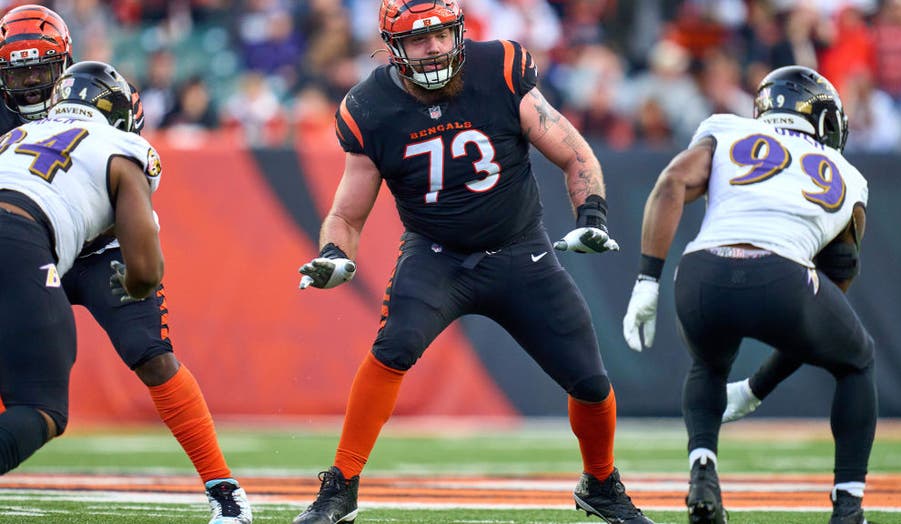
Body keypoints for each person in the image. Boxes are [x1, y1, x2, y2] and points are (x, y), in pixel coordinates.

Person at [293, 0, 653, 523]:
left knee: (591, 382)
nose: (434, 47)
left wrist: (592, 215)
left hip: (520, 250)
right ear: (394, 48)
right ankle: (340, 488)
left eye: (441, 33)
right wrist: (331, 254)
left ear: (459, 30)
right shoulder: (369, 107)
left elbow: (576, 154)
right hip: (436, 256)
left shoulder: (500, 69)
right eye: (418, 39)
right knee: (392, 350)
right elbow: (346, 216)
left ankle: (600, 483)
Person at [0, 6, 252, 524]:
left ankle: (223, 486)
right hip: (34, 237)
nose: (29, 85)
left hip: (84, 247)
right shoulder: (121, 145)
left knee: (150, 353)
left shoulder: (94, 142)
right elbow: (147, 262)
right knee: (41, 395)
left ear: (64, 71)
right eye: (17, 71)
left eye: (41, 71)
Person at [622, 65, 876, 524]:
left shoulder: (726, 129)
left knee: (707, 365)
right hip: (782, 277)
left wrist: (647, 280)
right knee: (856, 360)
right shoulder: (849, 178)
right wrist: (760, 387)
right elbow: (833, 291)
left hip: (702, 272)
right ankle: (848, 506)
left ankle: (702, 470)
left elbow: (672, 181)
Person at [0, 59, 161, 478]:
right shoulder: (123, 148)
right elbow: (145, 271)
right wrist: (133, 283)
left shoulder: (17, 132)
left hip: (17, 229)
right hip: (17, 236)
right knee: (42, 405)